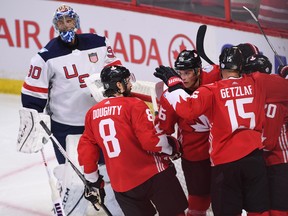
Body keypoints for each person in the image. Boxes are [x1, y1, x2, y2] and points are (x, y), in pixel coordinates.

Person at [153, 46, 288, 216]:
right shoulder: (257, 82)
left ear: (221, 69)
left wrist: (174, 84)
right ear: (241, 68)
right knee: (259, 212)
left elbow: (187, 109)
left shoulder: (211, 90)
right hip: (254, 159)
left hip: (225, 162)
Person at [20, 4, 122, 215]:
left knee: (105, 169)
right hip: (65, 126)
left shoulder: (99, 43)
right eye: (60, 22)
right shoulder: (45, 57)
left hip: (98, 120)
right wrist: (34, 118)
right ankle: (72, 204)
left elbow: (117, 72)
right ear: (55, 25)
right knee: (73, 175)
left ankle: (111, 204)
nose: (65, 25)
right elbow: (32, 95)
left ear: (76, 22)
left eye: (69, 20)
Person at [77, 65, 188, 216]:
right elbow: (151, 141)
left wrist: (93, 181)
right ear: (119, 85)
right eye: (127, 81)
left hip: (122, 184)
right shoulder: (134, 104)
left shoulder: (92, 113)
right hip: (153, 174)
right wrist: (171, 148)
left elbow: (86, 150)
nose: (130, 84)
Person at [155, 50, 220, 216]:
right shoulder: (169, 96)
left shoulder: (214, 74)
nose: (183, 78)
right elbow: (164, 128)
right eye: (180, 73)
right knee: (198, 205)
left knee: (225, 202)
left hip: (222, 153)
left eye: (188, 72)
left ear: (198, 71)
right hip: (195, 156)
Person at [244, 54, 288, 216]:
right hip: (268, 162)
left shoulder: (266, 96)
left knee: (272, 211)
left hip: (275, 161)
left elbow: (267, 142)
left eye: (249, 73)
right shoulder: (278, 88)